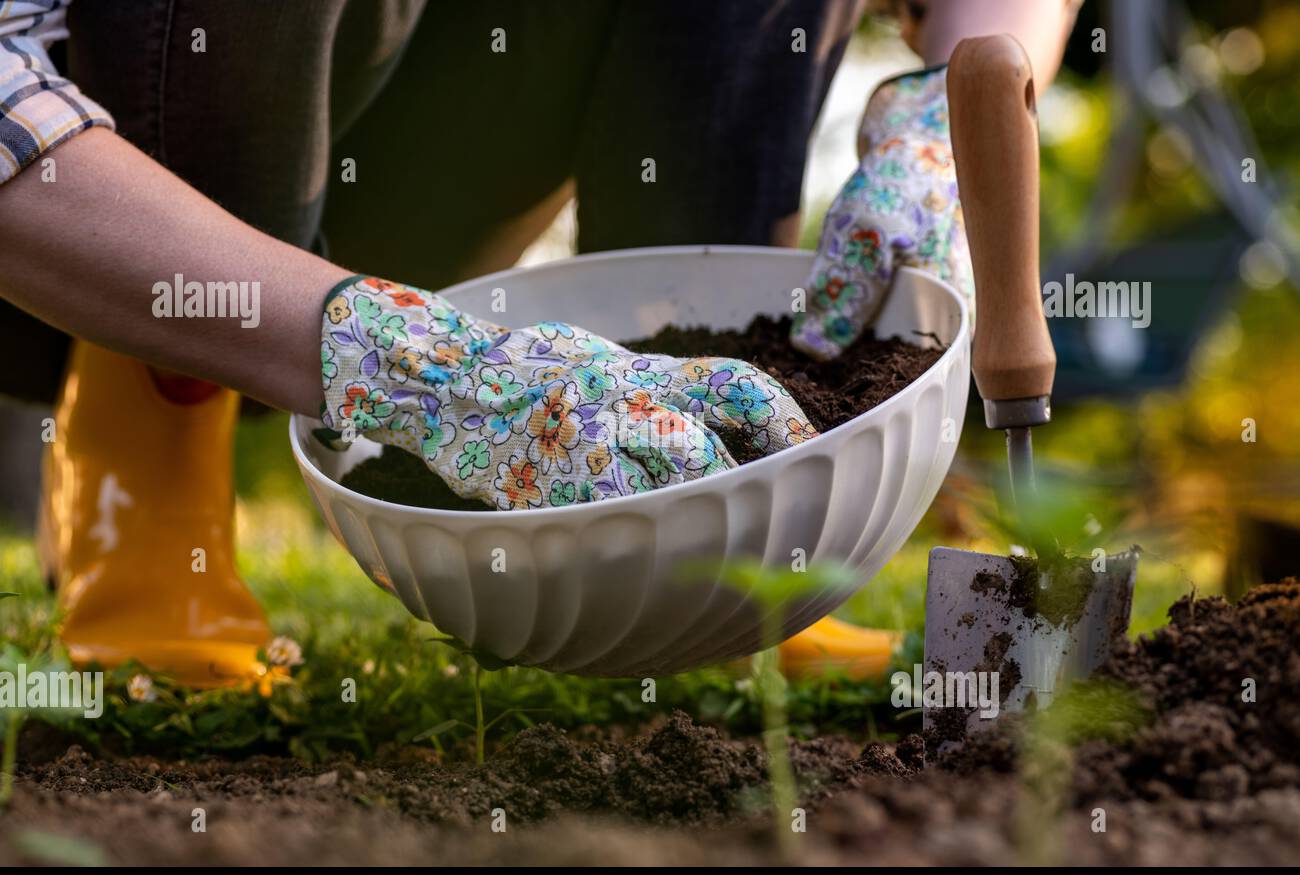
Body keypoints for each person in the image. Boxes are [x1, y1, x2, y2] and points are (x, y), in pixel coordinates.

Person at [0, 0, 1080, 684]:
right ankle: (146, 463)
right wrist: (409, 363)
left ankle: (732, 506)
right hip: (117, 214)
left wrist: (944, 121)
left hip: (422, 169)